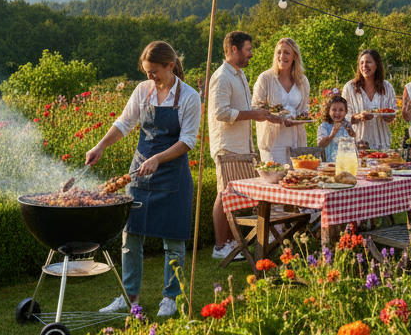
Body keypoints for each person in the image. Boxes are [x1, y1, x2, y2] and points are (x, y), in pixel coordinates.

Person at [85, 41, 200, 318]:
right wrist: (100, 146)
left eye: (155, 72)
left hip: (171, 174)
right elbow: (124, 124)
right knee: (130, 236)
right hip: (139, 171)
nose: (150, 77)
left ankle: (171, 297)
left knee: (173, 240)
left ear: (170, 66)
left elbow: (187, 141)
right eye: (147, 71)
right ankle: (129, 296)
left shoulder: (189, 97)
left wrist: (159, 158)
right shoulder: (142, 91)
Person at [208, 31, 277, 260]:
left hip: (241, 144)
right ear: (234, 49)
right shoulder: (222, 77)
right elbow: (220, 112)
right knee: (224, 193)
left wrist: (259, 112)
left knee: (238, 195)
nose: (251, 54)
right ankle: (220, 247)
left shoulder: (239, 75)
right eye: (248, 49)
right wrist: (253, 114)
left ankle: (234, 241)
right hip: (227, 145)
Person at [251, 38, 311, 164]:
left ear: (295, 56)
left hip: (296, 140)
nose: (281, 56)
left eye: (287, 53)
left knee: (295, 180)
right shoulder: (265, 78)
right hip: (272, 142)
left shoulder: (303, 81)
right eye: (279, 52)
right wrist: (275, 118)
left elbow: (305, 108)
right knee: (275, 178)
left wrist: (303, 116)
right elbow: (255, 108)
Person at [341, 49, 396, 150]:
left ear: (377, 65)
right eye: (361, 63)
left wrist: (387, 116)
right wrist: (358, 117)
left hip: (381, 142)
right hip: (358, 142)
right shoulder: (350, 87)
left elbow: (393, 113)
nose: (364, 66)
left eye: (369, 62)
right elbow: (342, 117)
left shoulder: (387, 87)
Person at [317, 94, 355, 161]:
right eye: (334, 110)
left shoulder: (347, 125)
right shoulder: (324, 126)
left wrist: (352, 135)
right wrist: (332, 134)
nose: (337, 113)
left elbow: (353, 142)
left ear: (346, 112)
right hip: (330, 163)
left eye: (341, 110)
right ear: (328, 111)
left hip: (347, 162)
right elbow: (321, 145)